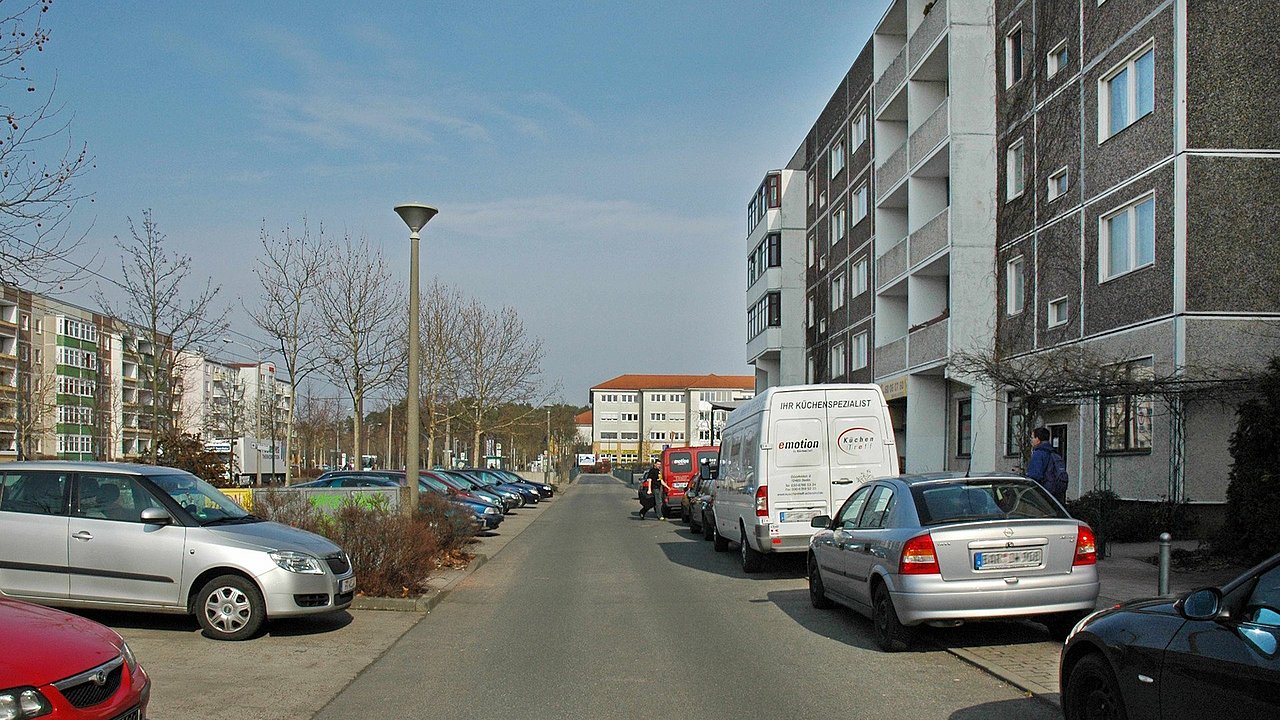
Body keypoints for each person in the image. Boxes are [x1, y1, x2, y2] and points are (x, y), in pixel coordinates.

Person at [1026, 427, 1068, 504]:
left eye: (1032, 437)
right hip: (1056, 495)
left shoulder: (1039, 454)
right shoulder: (1053, 452)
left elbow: (1034, 477)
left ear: (1038, 439)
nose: (1031, 440)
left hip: (1044, 495)